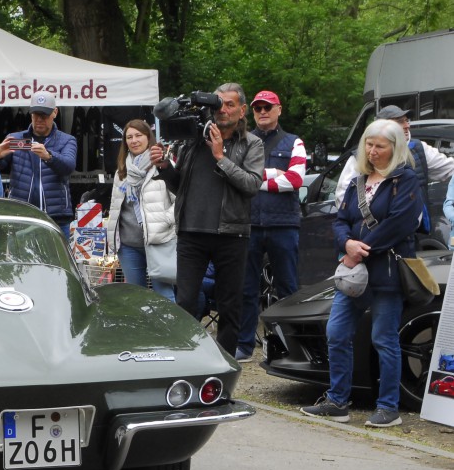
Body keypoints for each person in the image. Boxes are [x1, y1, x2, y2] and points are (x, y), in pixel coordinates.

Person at [302, 119, 422, 428]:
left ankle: (388, 408)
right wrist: (346, 243)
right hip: (353, 273)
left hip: (387, 272)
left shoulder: (405, 179)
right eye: (369, 144)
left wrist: (360, 249)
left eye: (380, 146)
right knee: (337, 333)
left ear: (394, 148)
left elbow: (400, 224)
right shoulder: (359, 178)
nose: (372, 150)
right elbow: (340, 219)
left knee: (384, 339)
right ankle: (337, 401)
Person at [151, 83, 263, 356]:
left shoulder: (251, 143)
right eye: (218, 104)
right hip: (191, 231)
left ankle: (224, 363)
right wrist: (165, 168)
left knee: (229, 304)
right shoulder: (194, 139)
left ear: (242, 110)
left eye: (229, 104)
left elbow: (252, 185)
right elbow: (182, 187)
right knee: (186, 301)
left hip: (231, 233)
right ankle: (187, 358)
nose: (222, 110)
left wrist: (220, 157)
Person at [235, 90, 308, 362]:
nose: (263, 112)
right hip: (249, 222)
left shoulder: (294, 142)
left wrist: (253, 178)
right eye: (258, 108)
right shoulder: (241, 141)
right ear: (252, 112)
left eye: (268, 107)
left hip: (283, 224)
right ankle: (244, 344)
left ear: (279, 109)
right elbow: (233, 176)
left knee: (288, 286)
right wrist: (275, 174)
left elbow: (296, 180)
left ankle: (292, 343)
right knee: (246, 287)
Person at [336, 105, 454, 231]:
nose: (407, 125)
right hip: (367, 234)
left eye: (407, 120)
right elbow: (342, 198)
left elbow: (449, 168)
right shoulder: (361, 157)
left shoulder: (418, 148)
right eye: (400, 121)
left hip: (408, 235)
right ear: (382, 127)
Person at [0, 92, 77, 235]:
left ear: (55, 112)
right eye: (35, 115)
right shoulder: (16, 139)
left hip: (55, 217)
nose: (39, 120)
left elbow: (69, 167)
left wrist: (49, 156)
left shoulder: (66, 140)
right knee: (21, 258)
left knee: (56, 257)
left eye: (44, 115)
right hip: (21, 216)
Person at [105, 120, 177, 302]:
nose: (134, 140)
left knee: (164, 296)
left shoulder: (163, 165)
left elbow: (181, 199)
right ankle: (143, 331)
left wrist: (165, 221)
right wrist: (112, 235)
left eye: (138, 135)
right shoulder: (122, 170)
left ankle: (172, 331)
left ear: (148, 138)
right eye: (129, 137)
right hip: (128, 244)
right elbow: (115, 207)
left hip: (158, 241)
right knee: (136, 298)